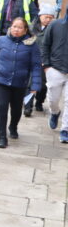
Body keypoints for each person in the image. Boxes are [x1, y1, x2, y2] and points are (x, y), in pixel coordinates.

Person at [0, 18, 41, 148]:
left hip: (20, 83)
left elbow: (36, 66)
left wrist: (35, 85)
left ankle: (13, 126)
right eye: (14, 26)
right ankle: (2, 136)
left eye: (20, 27)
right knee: (1, 107)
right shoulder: (1, 40)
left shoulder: (31, 45)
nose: (16, 29)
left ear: (25, 30)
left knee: (16, 109)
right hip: (1, 80)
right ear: (10, 27)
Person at [42, 9, 68, 143]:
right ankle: (54, 112)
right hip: (55, 68)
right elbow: (45, 44)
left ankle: (65, 129)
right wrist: (46, 66)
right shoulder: (55, 25)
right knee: (53, 99)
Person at [27, 4, 54, 116]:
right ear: (40, 16)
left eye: (50, 17)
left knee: (43, 85)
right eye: (45, 17)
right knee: (29, 83)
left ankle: (39, 101)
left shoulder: (53, 30)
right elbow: (27, 42)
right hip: (31, 59)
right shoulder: (31, 27)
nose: (47, 20)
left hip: (45, 61)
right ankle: (27, 106)